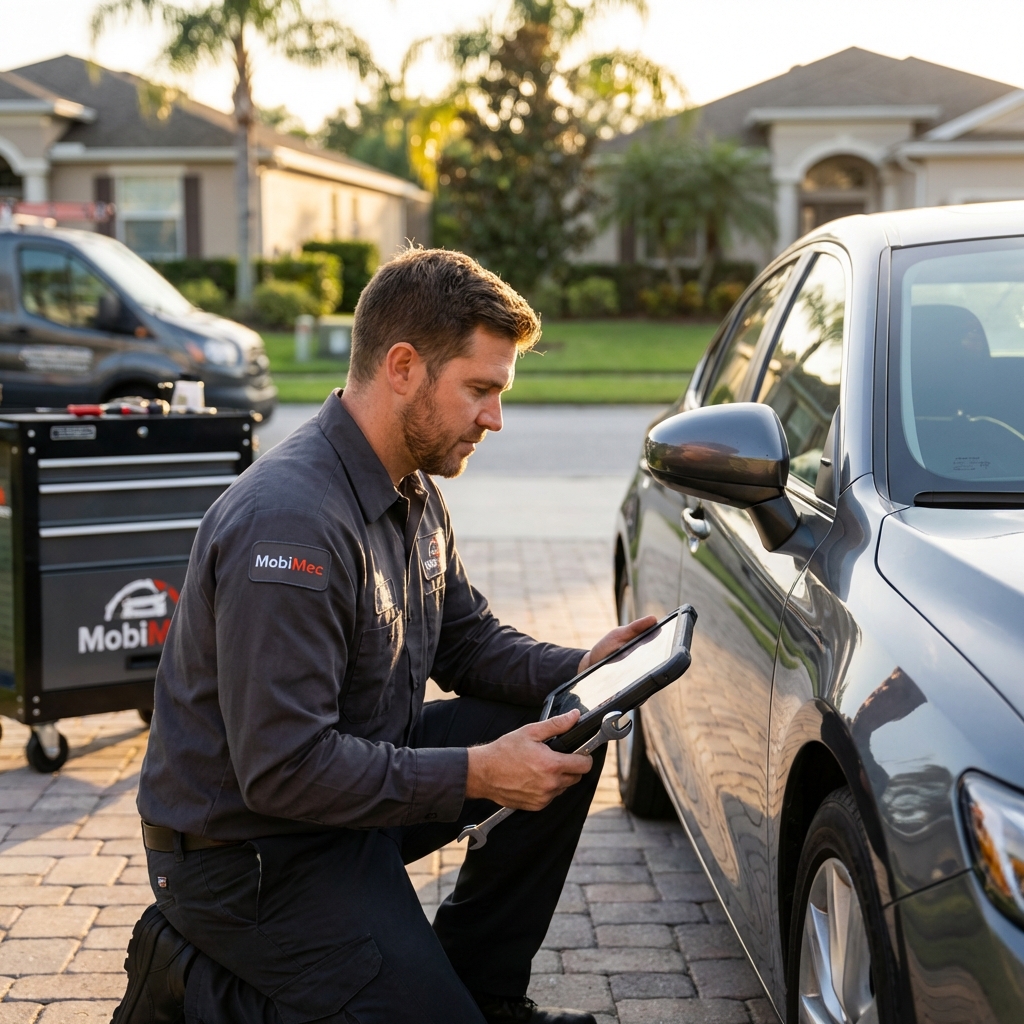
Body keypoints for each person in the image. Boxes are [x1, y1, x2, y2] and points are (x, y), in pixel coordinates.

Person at [113, 248, 655, 1024]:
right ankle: (190, 981)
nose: (495, 419)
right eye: (480, 390)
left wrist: (584, 667)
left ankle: (483, 994)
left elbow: (466, 643)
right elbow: (283, 770)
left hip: (348, 803)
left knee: (566, 727)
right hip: (250, 856)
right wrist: (477, 773)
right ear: (403, 367)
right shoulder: (290, 525)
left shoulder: (412, 488)